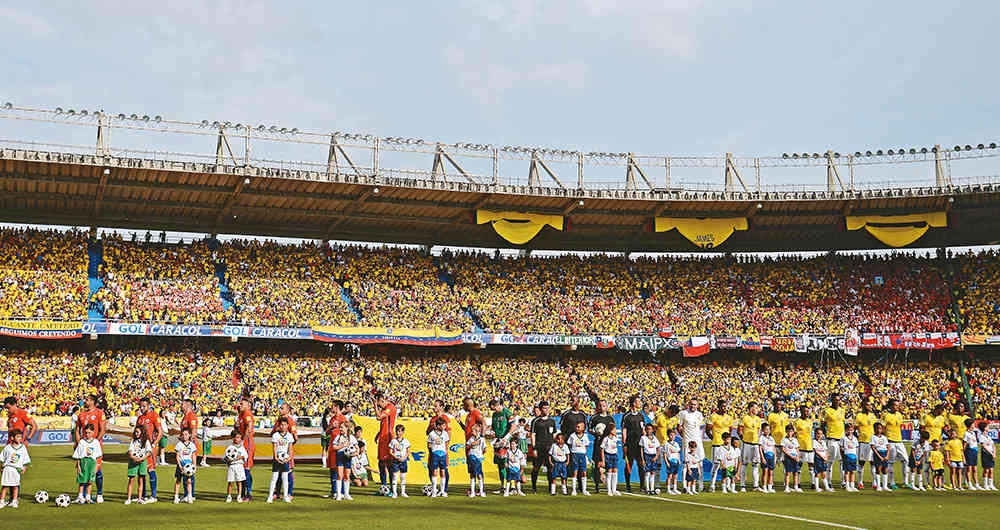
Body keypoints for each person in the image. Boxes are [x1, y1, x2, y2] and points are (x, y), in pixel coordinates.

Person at [75, 394, 107, 503]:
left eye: (87, 400)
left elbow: (103, 429)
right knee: (83, 470)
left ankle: (99, 493)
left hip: (95, 447)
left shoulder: (99, 413)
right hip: (84, 447)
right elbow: (77, 429)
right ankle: (83, 495)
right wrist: (79, 442)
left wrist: (95, 442)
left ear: (93, 401)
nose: (85, 401)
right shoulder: (81, 414)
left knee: (96, 470)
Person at [136, 397, 162, 503]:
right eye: (140, 406)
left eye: (144, 406)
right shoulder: (140, 418)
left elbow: (160, 432)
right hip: (141, 448)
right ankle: (143, 495)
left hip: (150, 447)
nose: (142, 408)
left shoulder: (154, 415)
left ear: (149, 405)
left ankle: (153, 496)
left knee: (150, 469)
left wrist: (154, 444)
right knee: (141, 470)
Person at [676, 398, 705, 492]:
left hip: (698, 441)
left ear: (697, 405)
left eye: (695, 404)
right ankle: (685, 486)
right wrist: (684, 437)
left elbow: (700, 428)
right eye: (691, 404)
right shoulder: (683, 413)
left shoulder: (699, 415)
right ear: (689, 404)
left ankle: (700, 485)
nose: (693, 406)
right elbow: (679, 427)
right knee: (686, 463)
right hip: (687, 441)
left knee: (699, 462)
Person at [530, 400, 557, 494]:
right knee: (536, 468)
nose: (546, 410)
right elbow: (532, 435)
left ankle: (551, 488)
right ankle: (534, 487)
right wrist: (534, 448)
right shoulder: (536, 421)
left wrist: (555, 447)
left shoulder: (552, 421)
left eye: (547, 408)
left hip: (549, 448)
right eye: (544, 408)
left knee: (550, 468)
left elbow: (554, 435)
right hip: (539, 447)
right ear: (541, 409)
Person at [707, 399, 734, 493]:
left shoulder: (729, 417)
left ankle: (728, 485)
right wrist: (714, 439)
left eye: (725, 406)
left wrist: (728, 441)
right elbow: (708, 430)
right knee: (716, 465)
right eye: (722, 406)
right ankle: (712, 485)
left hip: (727, 445)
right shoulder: (713, 416)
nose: (724, 408)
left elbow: (730, 430)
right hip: (717, 445)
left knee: (729, 465)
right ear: (718, 407)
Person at [588, 399, 615, 493]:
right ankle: (596, 486)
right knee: (597, 463)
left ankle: (610, 486)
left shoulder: (610, 418)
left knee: (609, 464)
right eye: (600, 405)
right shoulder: (594, 418)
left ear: (606, 406)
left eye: (604, 405)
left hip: (608, 444)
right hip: (598, 443)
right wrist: (596, 433)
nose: (602, 407)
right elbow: (589, 429)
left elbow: (613, 430)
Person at [425, 399, 452, 490]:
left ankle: (444, 489)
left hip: (442, 448)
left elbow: (448, 433)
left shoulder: (446, 418)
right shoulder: (433, 419)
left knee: (443, 468)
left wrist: (446, 447)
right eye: (434, 406)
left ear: (441, 407)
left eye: (436, 406)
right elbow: (427, 432)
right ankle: (434, 488)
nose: (434, 408)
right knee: (431, 467)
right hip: (433, 448)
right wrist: (432, 427)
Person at [374, 393, 397, 494]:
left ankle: (392, 489)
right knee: (381, 463)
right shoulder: (386, 408)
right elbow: (384, 423)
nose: (378, 406)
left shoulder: (390, 407)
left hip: (388, 438)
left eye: (378, 403)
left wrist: (374, 405)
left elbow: (379, 417)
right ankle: (384, 487)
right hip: (383, 438)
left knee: (389, 463)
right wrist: (378, 434)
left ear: (382, 400)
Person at [821, 393, 846, 487]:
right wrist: (826, 435)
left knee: (842, 461)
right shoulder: (827, 411)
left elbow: (842, 423)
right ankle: (829, 482)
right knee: (829, 462)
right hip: (831, 439)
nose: (837, 401)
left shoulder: (842, 411)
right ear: (831, 400)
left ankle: (843, 482)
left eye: (838, 400)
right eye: (835, 400)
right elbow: (822, 424)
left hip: (841, 439)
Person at [73, 423, 102, 504]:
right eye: (86, 432)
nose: (87, 434)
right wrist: (78, 465)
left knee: (90, 481)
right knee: (82, 480)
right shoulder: (82, 442)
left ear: (93, 432)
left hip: (92, 463)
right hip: (83, 462)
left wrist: (97, 466)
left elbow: (98, 456)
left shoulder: (96, 442)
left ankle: (88, 497)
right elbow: (78, 455)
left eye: (89, 432)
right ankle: (80, 497)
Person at [0, 429, 29, 509]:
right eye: (18, 437)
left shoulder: (23, 448)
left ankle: (14, 501)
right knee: (5, 486)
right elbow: (2, 458)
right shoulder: (7, 448)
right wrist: (1, 467)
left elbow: (26, 459)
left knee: (15, 486)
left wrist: (24, 468)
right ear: (12, 438)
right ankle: (2, 501)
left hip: (16, 470)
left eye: (20, 437)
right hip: (7, 468)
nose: (20, 438)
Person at [268, 417, 294, 503]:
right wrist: (275, 457)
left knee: (285, 478)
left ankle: (286, 496)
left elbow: (290, 448)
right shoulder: (275, 435)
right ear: (279, 426)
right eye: (281, 425)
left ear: (287, 426)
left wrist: (289, 457)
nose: (283, 427)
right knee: (274, 477)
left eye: (285, 425)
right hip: (277, 459)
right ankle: (270, 496)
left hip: (285, 459)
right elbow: (274, 447)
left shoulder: (289, 436)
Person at [882, 398, 907, 489]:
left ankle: (906, 482)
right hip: (890, 441)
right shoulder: (886, 416)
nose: (897, 407)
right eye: (895, 405)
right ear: (891, 406)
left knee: (906, 460)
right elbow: (883, 429)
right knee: (891, 463)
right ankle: (892, 482)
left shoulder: (900, 415)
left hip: (899, 441)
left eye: (898, 405)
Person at [235, 397, 256, 501]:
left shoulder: (247, 413)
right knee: (241, 469)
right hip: (242, 443)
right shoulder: (240, 415)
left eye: (242, 403)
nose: (240, 405)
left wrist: (243, 440)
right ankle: (243, 492)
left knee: (246, 469)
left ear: (248, 405)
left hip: (247, 444)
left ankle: (248, 493)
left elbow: (249, 426)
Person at [330, 422, 357, 501]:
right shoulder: (338, 437)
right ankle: (339, 494)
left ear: (347, 428)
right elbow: (334, 447)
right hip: (340, 456)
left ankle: (346, 494)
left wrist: (354, 453)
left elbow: (357, 448)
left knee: (347, 476)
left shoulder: (351, 437)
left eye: (342, 427)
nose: (340, 429)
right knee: (340, 475)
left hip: (348, 457)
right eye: (340, 427)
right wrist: (342, 446)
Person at [738, 402, 762, 492]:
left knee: (756, 464)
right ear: (751, 408)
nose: (757, 409)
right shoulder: (744, 418)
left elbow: (759, 431)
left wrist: (757, 439)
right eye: (756, 408)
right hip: (746, 444)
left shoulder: (758, 419)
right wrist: (744, 439)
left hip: (755, 444)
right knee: (744, 464)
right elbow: (739, 431)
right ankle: (742, 485)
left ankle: (755, 485)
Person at [853, 398, 876, 490]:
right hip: (862, 442)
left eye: (870, 405)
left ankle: (874, 482)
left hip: (872, 443)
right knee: (861, 463)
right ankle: (860, 482)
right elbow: (854, 428)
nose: (870, 406)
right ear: (864, 406)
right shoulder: (859, 416)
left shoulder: (873, 416)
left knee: (873, 463)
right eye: (868, 405)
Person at [489, 399, 513, 488]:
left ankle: (511, 486)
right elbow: (493, 426)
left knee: (507, 463)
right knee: (500, 464)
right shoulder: (494, 414)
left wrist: (506, 437)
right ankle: (503, 486)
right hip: (497, 442)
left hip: (505, 442)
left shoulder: (507, 412)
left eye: (494, 408)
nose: (494, 411)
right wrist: (492, 431)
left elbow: (514, 426)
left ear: (498, 405)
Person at [125, 426, 151, 505]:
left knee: (141, 480)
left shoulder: (146, 441)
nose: (136, 434)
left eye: (138, 432)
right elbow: (130, 450)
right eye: (135, 432)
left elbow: (149, 452)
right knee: (131, 479)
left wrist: (142, 458)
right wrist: (133, 457)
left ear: (142, 432)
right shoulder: (133, 441)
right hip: (133, 462)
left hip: (142, 462)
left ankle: (139, 498)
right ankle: (128, 498)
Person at [179, 399, 199, 497]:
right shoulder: (184, 417)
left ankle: (191, 494)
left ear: (188, 405)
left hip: (188, 449)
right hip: (184, 447)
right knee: (184, 470)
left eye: (182, 404)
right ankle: (187, 493)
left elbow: (194, 432)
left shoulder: (191, 416)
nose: (180, 406)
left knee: (189, 470)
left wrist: (188, 445)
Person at [173, 428, 198, 504]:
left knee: (189, 481)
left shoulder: (192, 445)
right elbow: (177, 456)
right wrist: (180, 465)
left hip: (189, 467)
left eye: (186, 434)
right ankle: (176, 497)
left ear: (189, 435)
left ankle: (189, 496)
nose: (184, 436)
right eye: (183, 434)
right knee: (178, 481)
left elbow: (193, 456)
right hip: (181, 465)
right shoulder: (179, 444)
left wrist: (194, 465)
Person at [428, 417, 450, 498]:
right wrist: (432, 452)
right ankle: (434, 491)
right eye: (443, 425)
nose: (444, 427)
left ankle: (443, 491)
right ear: (437, 426)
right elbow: (429, 445)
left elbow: (447, 443)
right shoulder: (432, 434)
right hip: (435, 455)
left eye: (445, 425)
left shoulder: (445, 434)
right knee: (434, 472)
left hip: (443, 455)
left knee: (443, 472)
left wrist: (445, 452)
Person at [793, 404, 814, 488]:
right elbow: (794, 434)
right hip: (800, 447)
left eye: (807, 411)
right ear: (801, 412)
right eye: (805, 411)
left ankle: (813, 483)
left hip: (809, 447)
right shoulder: (797, 422)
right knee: (799, 466)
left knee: (811, 466)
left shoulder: (810, 421)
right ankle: (798, 483)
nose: (806, 413)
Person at [567, 421, 590, 495]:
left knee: (584, 472)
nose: (577, 428)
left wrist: (583, 452)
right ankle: (574, 490)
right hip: (575, 455)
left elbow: (586, 445)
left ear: (583, 428)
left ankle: (584, 490)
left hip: (582, 455)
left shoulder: (585, 436)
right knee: (575, 472)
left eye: (578, 427)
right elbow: (570, 444)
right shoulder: (572, 436)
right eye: (576, 426)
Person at [225, 432, 249, 503]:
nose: (238, 439)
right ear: (233, 438)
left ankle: (239, 496)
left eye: (239, 438)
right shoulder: (229, 448)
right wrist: (228, 459)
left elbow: (245, 456)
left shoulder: (242, 448)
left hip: (239, 466)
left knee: (239, 482)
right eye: (237, 437)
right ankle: (229, 496)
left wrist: (240, 457)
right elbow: (225, 457)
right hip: (232, 466)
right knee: (231, 482)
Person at [388, 424, 411, 498]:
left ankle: (403, 492)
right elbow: (390, 452)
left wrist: (404, 458)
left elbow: (408, 452)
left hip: (403, 461)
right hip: (395, 461)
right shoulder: (393, 441)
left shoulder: (406, 441)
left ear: (403, 432)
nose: (398, 433)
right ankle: (394, 493)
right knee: (395, 476)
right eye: (397, 431)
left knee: (403, 477)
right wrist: (396, 457)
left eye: (400, 431)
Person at [639, 423, 661, 495]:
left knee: (653, 472)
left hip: (653, 456)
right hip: (647, 456)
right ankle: (647, 489)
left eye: (650, 429)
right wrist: (642, 459)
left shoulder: (655, 438)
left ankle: (652, 489)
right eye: (647, 429)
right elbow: (641, 449)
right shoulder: (643, 438)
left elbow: (658, 448)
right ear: (645, 430)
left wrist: (656, 456)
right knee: (647, 472)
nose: (648, 431)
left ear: (652, 430)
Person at [466, 423, 487, 498]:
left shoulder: (482, 439)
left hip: (478, 458)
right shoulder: (471, 439)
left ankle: (481, 491)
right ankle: (472, 492)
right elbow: (467, 446)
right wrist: (472, 444)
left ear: (477, 431)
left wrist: (480, 454)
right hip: (472, 457)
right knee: (472, 474)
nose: (472, 432)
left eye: (473, 431)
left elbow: (485, 449)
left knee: (479, 474)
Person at [601, 425, 621, 496]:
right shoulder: (606, 439)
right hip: (608, 455)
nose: (616, 431)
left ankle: (614, 490)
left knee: (615, 471)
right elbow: (602, 449)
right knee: (609, 472)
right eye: (614, 429)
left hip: (614, 455)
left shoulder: (616, 438)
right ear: (611, 430)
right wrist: (603, 460)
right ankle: (609, 490)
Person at [660, 427, 682, 495]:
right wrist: (666, 462)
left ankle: (674, 489)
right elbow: (664, 454)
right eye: (671, 435)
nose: (672, 436)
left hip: (676, 461)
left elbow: (678, 452)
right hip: (670, 461)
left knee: (675, 476)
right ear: (668, 436)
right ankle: (668, 489)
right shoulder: (666, 444)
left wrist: (679, 460)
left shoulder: (676, 444)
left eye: (673, 435)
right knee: (669, 476)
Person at [781, 424, 802, 493]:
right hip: (788, 458)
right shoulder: (784, 439)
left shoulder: (795, 440)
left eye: (791, 431)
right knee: (788, 473)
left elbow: (797, 449)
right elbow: (783, 449)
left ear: (793, 432)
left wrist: (798, 457)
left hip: (795, 457)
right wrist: (791, 456)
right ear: (786, 431)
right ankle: (786, 487)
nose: (790, 433)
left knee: (795, 473)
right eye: (788, 431)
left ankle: (796, 487)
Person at [870, 422, 890, 492]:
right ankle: (878, 486)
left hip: (884, 453)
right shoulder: (873, 437)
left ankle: (885, 486)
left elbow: (888, 446)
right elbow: (873, 447)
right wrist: (879, 456)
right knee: (878, 469)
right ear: (874, 429)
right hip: (878, 453)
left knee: (885, 469)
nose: (879, 430)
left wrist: (887, 455)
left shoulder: (884, 437)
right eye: (877, 428)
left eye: (880, 428)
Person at [945, 425, 965, 490]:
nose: (953, 435)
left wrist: (963, 458)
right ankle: (954, 486)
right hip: (952, 459)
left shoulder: (959, 441)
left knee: (959, 473)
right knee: (952, 472)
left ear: (956, 434)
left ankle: (959, 485)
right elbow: (947, 452)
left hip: (959, 459)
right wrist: (948, 459)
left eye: (954, 434)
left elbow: (961, 451)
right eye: (951, 434)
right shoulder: (948, 442)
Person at [840, 423, 859, 492]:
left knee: (853, 471)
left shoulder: (855, 438)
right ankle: (847, 485)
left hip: (853, 456)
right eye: (848, 430)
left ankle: (852, 485)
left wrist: (856, 456)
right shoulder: (843, 438)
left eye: (851, 430)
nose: (850, 431)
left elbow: (856, 448)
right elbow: (841, 448)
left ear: (853, 430)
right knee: (846, 471)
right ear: (845, 430)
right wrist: (843, 456)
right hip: (846, 455)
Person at [812, 428, 833, 492]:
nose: (819, 435)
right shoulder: (814, 441)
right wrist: (822, 457)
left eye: (821, 434)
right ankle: (817, 487)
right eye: (818, 434)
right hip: (818, 458)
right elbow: (815, 451)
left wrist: (826, 457)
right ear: (815, 434)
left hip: (823, 459)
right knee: (817, 473)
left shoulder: (823, 442)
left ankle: (826, 487)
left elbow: (825, 450)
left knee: (824, 473)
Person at [978, 421, 996, 490]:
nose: (988, 428)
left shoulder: (988, 436)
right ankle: (985, 485)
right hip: (986, 454)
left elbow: (993, 445)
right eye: (987, 426)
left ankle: (991, 484)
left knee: (991, 470)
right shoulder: (981, 436)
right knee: (986, 470)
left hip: (991, 454)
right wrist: (991, 453)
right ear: (984, 428)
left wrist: (994, 453)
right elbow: (984, 446)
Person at [758, 423, 776, 493]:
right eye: (766, 429)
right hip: (765, 456)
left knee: (771, 472)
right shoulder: (761, 438)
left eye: (769, 429)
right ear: (762, 430)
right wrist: (762, 457)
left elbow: (773, 448)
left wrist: (775, 458)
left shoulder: (771, 438)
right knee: (765, 472)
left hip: (771, 456)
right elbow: (760, 448)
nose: (768, 431)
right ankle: (764, 487)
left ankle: (770, 487)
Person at [962, 418, 980, 490]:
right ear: (970, 425)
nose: (974, 425)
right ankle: (969, 484)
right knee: (969, 469)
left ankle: (977, 484)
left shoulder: (973, 433)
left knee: (975, 469)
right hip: (969, 452)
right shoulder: (966, 434)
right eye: (973, 424)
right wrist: (962, 454)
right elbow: (964, 444)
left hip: (974, 452)